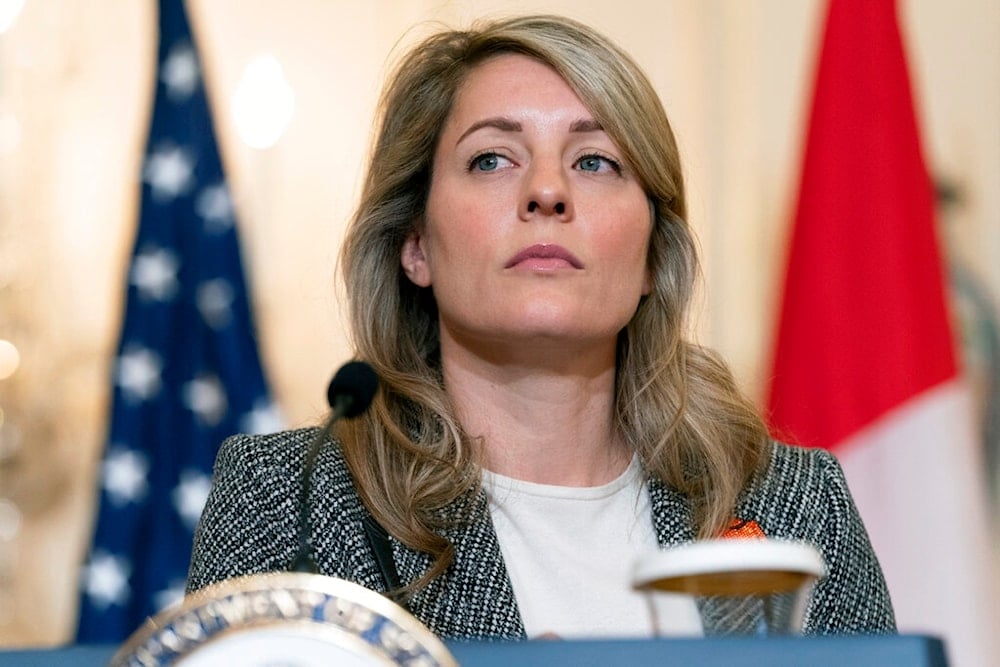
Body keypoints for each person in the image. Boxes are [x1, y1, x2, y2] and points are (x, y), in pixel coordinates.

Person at [186, 14, 895, 640]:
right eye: (492, 158)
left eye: (595, 161)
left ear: (652, 254)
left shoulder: (793, 502)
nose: (548, 191)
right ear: (416, 245)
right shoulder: (294, 498)